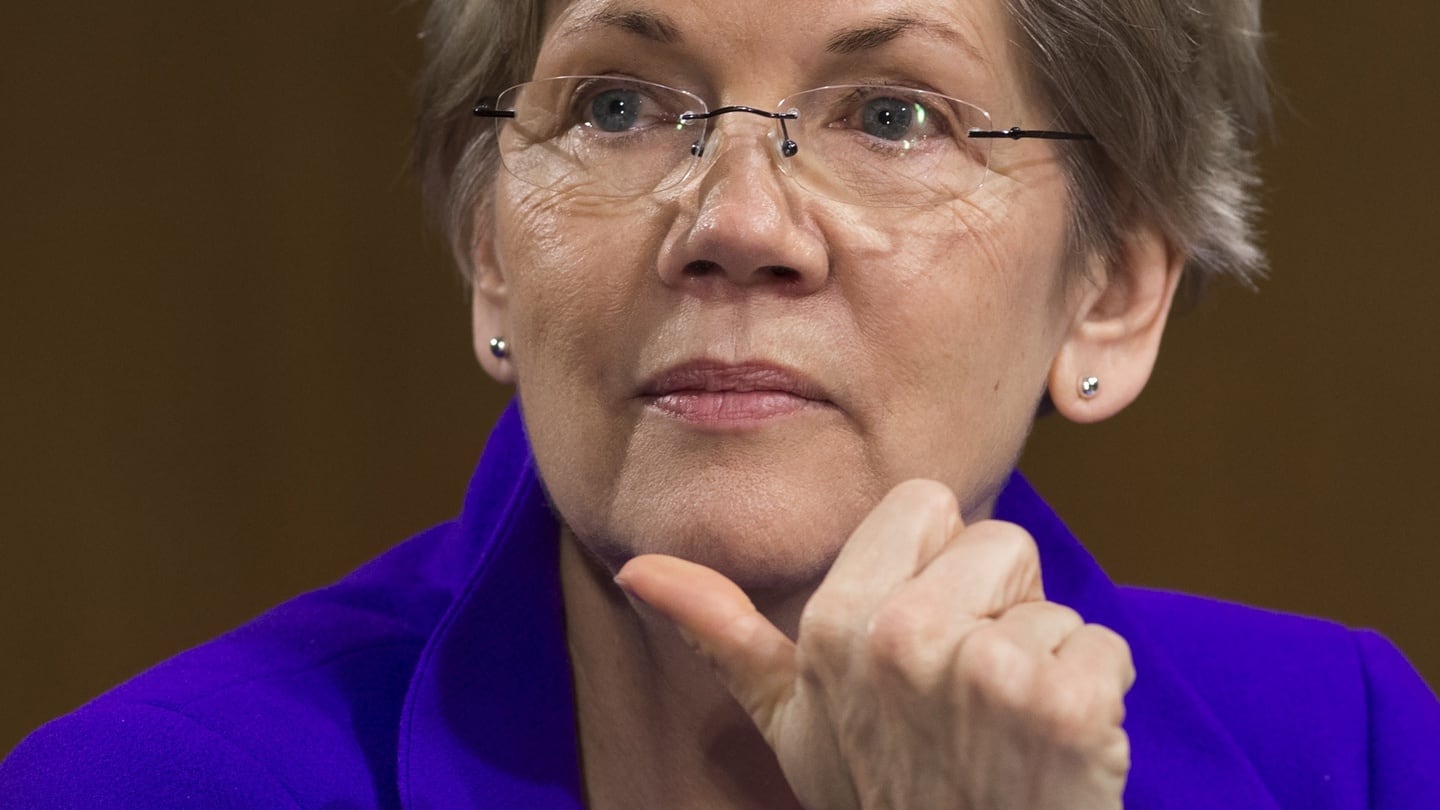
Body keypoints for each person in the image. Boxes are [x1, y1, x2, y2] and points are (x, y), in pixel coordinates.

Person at [3, 0, 1437, 806]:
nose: (739, 219)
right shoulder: (148, 786)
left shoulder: (1346, 753)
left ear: (1112, 289)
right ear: (494, 254)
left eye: (893, 116)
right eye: (619, 106)